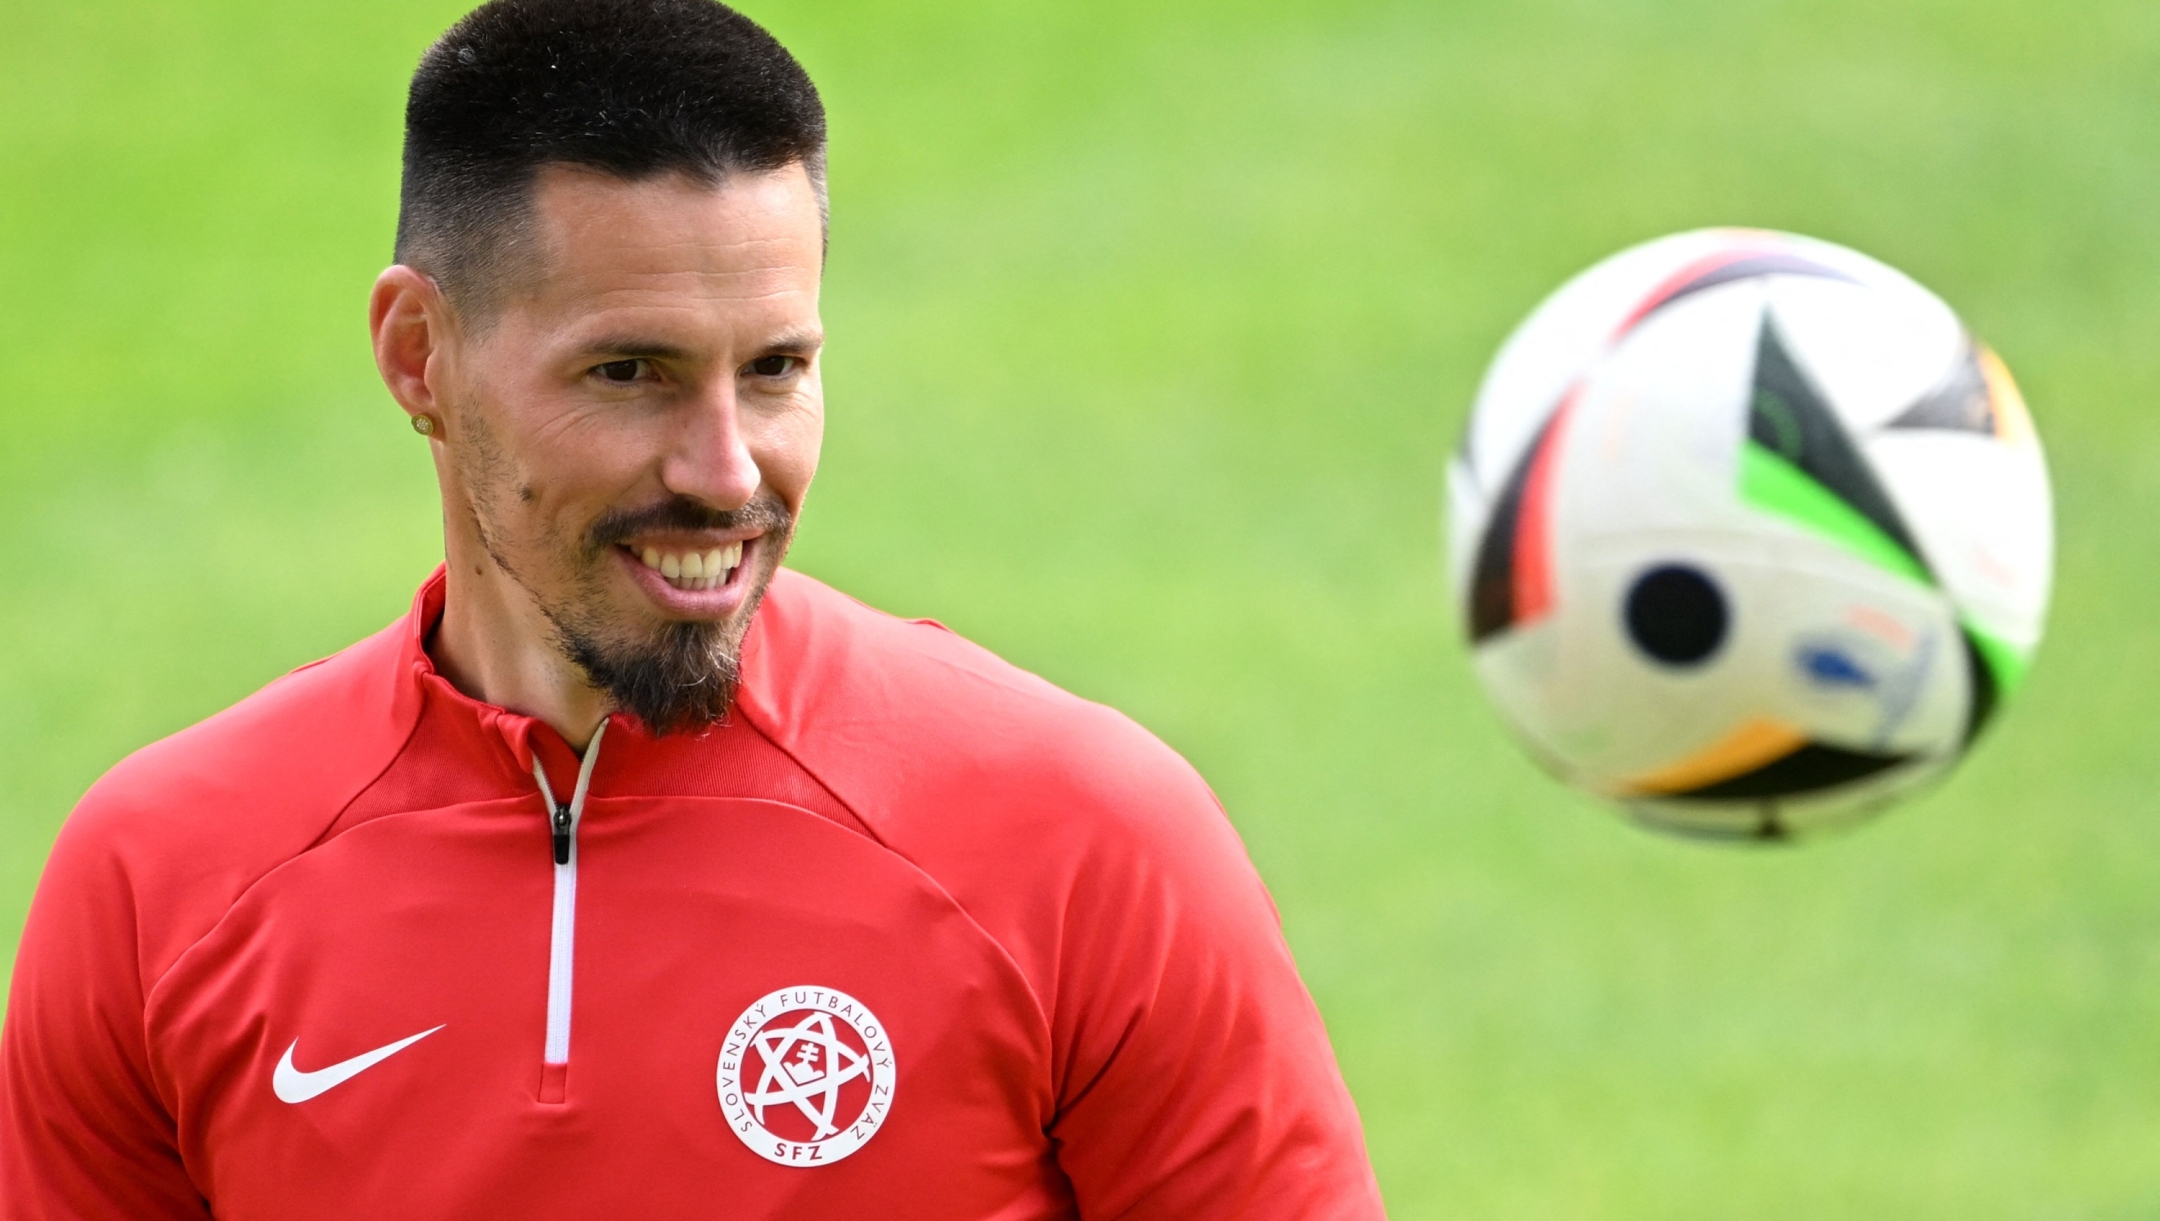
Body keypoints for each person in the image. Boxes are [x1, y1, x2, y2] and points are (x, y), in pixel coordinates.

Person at [0, 2, 1385, 1217]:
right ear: (420, 355)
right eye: (630, 372)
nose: (727, 471)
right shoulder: (161, 883)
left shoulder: (1082, 840)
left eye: (775, 368)